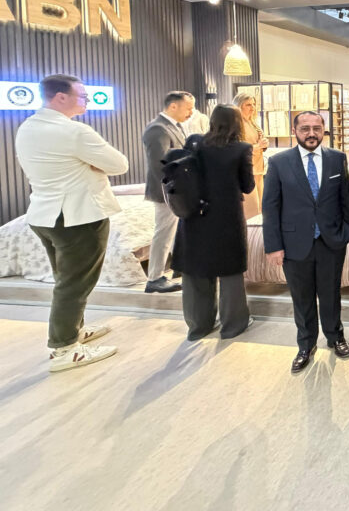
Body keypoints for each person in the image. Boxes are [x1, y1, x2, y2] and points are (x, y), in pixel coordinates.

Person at [14, 74, 128, 372]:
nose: (87, 100)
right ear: (60, 97)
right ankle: (64, 348)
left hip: (43, 214)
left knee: (66, 279)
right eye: (82, 95)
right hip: (78, 216)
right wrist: (92, 164)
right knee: (74, 283)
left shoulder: (27, 127)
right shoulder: (74, 131)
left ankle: (73, 331)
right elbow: (119, 165)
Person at [263, 111, 349, 372]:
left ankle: (335, 337)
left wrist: (346, 231)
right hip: (294, 243)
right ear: (295, 131)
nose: (311, 133)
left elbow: (345, 198)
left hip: (330, 240)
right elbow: (270, 206)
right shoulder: (279, 162)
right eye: (305, 129)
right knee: (301, 298)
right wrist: (273, 246)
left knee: (331, 293)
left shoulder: (337, 159)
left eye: (316, 128)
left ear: (324, 129)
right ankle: (306, 344)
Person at [172, 104, 255, 341]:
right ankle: (232, 325)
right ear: (237, 123)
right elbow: (247, 185)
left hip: (194, 215)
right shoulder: (241, 149)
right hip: (226, 217)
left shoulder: (194, 142)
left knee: (195, 270)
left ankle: (198, 327)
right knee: (230, 272)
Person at [141, 90, 194, 294]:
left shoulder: (174, 126)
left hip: (177, 189)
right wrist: (174, 191)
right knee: (163, 233)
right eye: (188, 108)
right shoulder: (158, 129)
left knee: (173, 232)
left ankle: (176, 268)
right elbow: (160, 165)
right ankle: (154, 277)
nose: (190, 113)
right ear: (173, 106)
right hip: (167, 191)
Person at [233, 91, 269, 218]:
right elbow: (237, 148)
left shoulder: (253, 122)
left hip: (258, 169)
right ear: (239, 106)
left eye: (253, 104)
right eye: (248, 105)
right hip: (247, 170)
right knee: (251, 209)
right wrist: (257, 146)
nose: (252, 107)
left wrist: (264, 144)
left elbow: (257, 142)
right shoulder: (236, 124)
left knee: (260, 208)